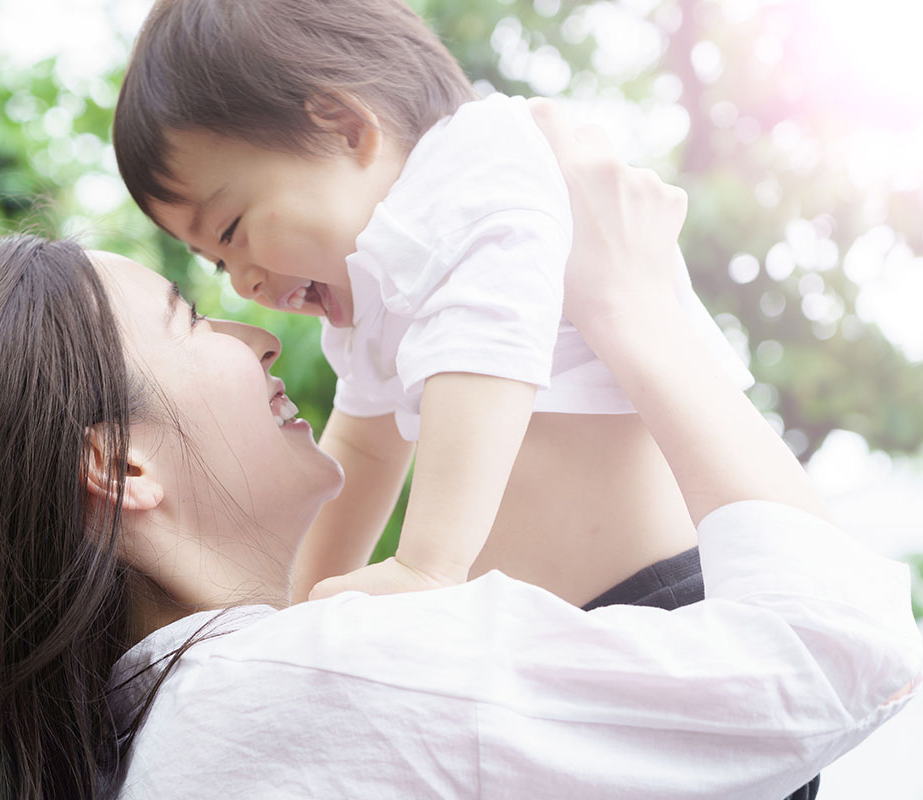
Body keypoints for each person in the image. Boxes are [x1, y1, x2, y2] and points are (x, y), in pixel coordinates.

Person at [0, 101, 919, 799]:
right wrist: (639, 312)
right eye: (192, 318)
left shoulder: (181, 736)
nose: (252, 327)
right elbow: (842, 655)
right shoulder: (289, 691)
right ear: (124, 468)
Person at [112, 0, 752, 608]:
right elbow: (363, 452)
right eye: (219, 264)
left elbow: (488, 342)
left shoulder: (476, 169)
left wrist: (428, 565)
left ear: (344, 128)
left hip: (669, 589)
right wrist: (295, 603)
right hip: (571, 627)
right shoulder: (375, 281)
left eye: (231, 232)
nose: (241, 284)